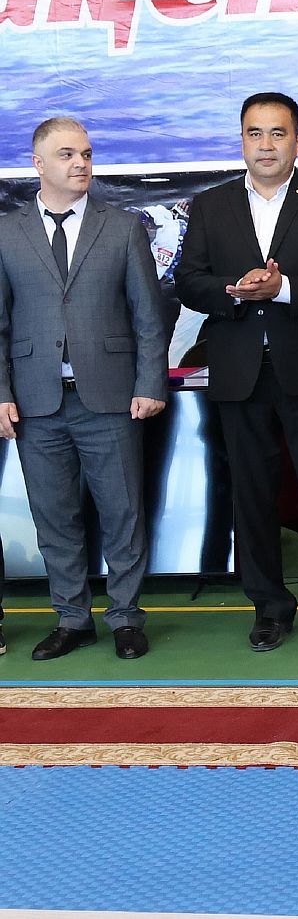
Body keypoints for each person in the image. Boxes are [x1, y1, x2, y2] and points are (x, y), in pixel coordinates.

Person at [175, 92, 298, 652]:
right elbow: (188, 281)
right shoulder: (211, 205)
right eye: (255, 133)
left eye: (278, 133)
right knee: (252, 494)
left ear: (296, 141)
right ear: (241, 140)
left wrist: (283, 288)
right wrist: (232, 291)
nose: (266, 144)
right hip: (240, 372)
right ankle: (269, 607)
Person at [0, 117, 168, 660]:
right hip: (35, 400)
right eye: (68, 154)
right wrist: (1, 392)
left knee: (123, 512)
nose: (81, 163)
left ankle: (126, 617)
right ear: (38, 164)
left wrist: (150, 382)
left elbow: (149, 316)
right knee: (54, 517)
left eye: (87, 154)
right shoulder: (7, 232)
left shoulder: (122, 227)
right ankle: (72, 619)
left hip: (112, 396)